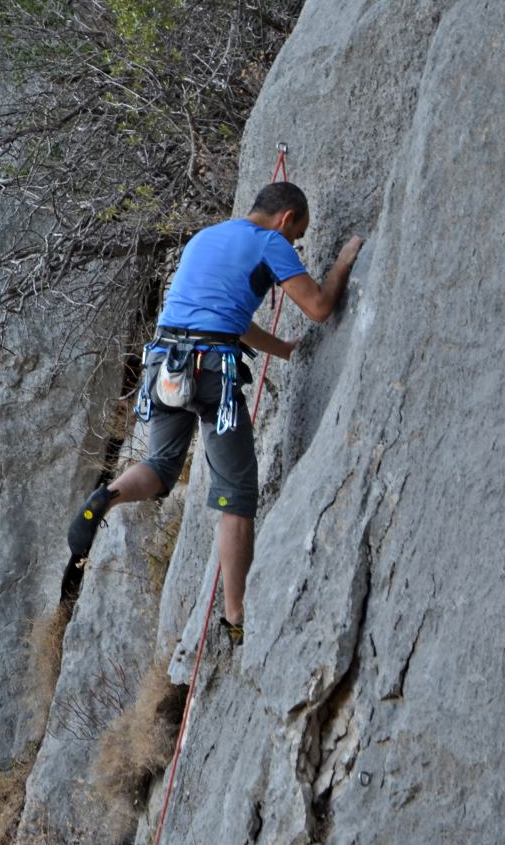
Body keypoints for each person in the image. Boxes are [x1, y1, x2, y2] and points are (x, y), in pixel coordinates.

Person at [66, 182, 364, 644]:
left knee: (161, 466)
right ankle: (237, 615)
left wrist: (283, 350)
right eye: (295, 236)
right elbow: (320, 307)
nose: (292, 245)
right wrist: (344, 260)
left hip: (165, 362)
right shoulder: (270, 242)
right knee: (236, 498)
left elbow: (235, 318)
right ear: (286, 219)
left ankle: (107, 497)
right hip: (210, 369)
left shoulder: (205, 238)